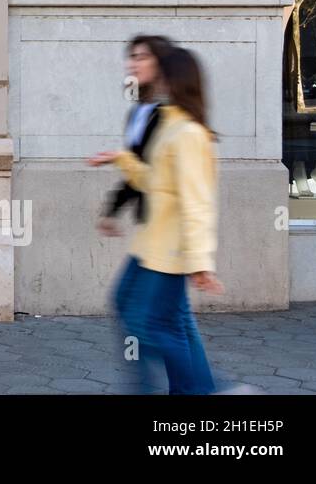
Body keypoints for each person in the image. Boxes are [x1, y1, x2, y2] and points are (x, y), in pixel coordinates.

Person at [89, 46, 223, 395]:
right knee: (139, 312)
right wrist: (121, 159)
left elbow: (198, 202)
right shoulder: (169, 125)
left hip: (171, 251)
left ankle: (198, 391)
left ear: (176, 78)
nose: (154, 76)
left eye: (160, 70)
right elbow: (154, 182)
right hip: (149, 245)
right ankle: (192, 390)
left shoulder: (191, 134)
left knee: (154, 326)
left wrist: (199, 261)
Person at [97, 35, 173, 237]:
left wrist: (119, 158)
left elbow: (161, 174)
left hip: (171, 225)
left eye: (142, 57)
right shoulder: (136, 113)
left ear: (161, 64)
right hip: (148, 222)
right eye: (132, 57)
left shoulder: (172, 114)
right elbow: (137, 169)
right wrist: (112, 211)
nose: (132, 64)